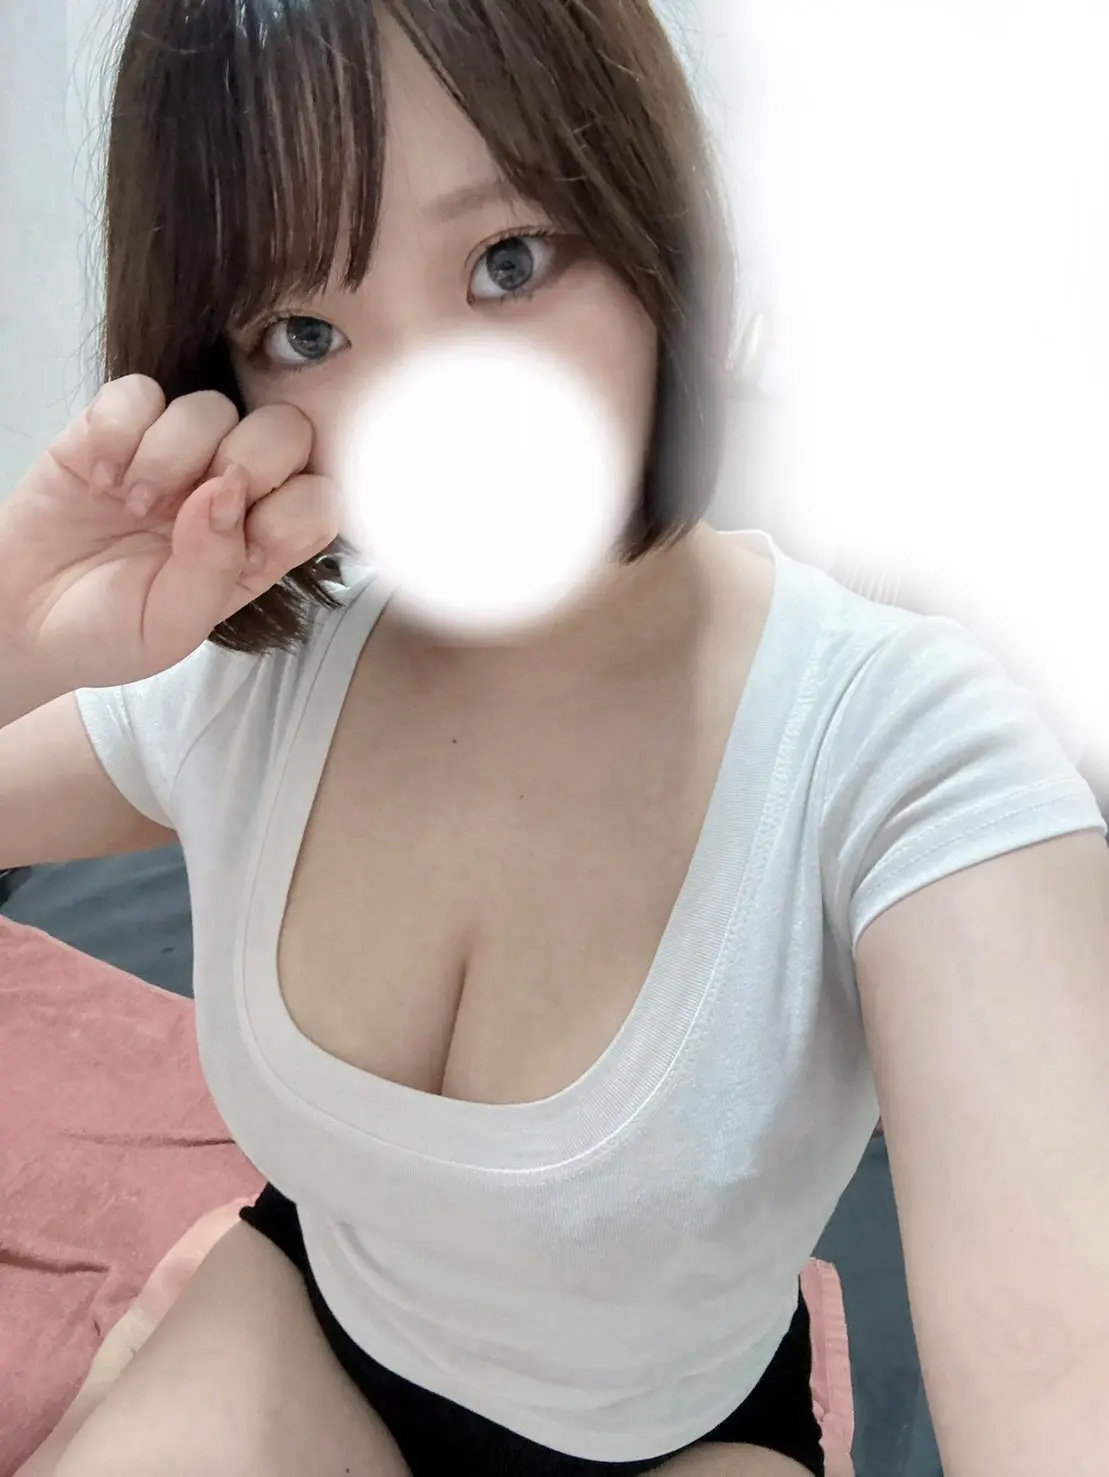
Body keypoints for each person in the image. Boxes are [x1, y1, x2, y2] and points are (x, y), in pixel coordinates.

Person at [1, 2, 1107, 1474]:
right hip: (313, 1325)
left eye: (508, 263)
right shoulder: (258, 675)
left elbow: (1063, 1379)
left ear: (653, 224)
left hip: (669, 1435)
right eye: (307, 333)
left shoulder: (902, 752)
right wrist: (18, 634)